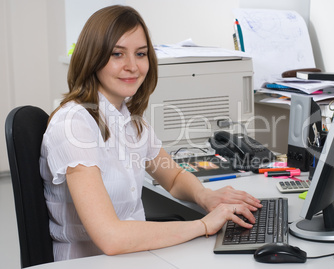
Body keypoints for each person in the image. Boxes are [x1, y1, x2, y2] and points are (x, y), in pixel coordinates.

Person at [40, 5, 262, 261]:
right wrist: (203, 225)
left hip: (135, 256)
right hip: (91, 262)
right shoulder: (74, 123)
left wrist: (206, 197)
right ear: (93, 58)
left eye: (141, 53)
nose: (133, 66)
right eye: (117, 54)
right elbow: (110, 237)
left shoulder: (130, 119)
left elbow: (175, 177)